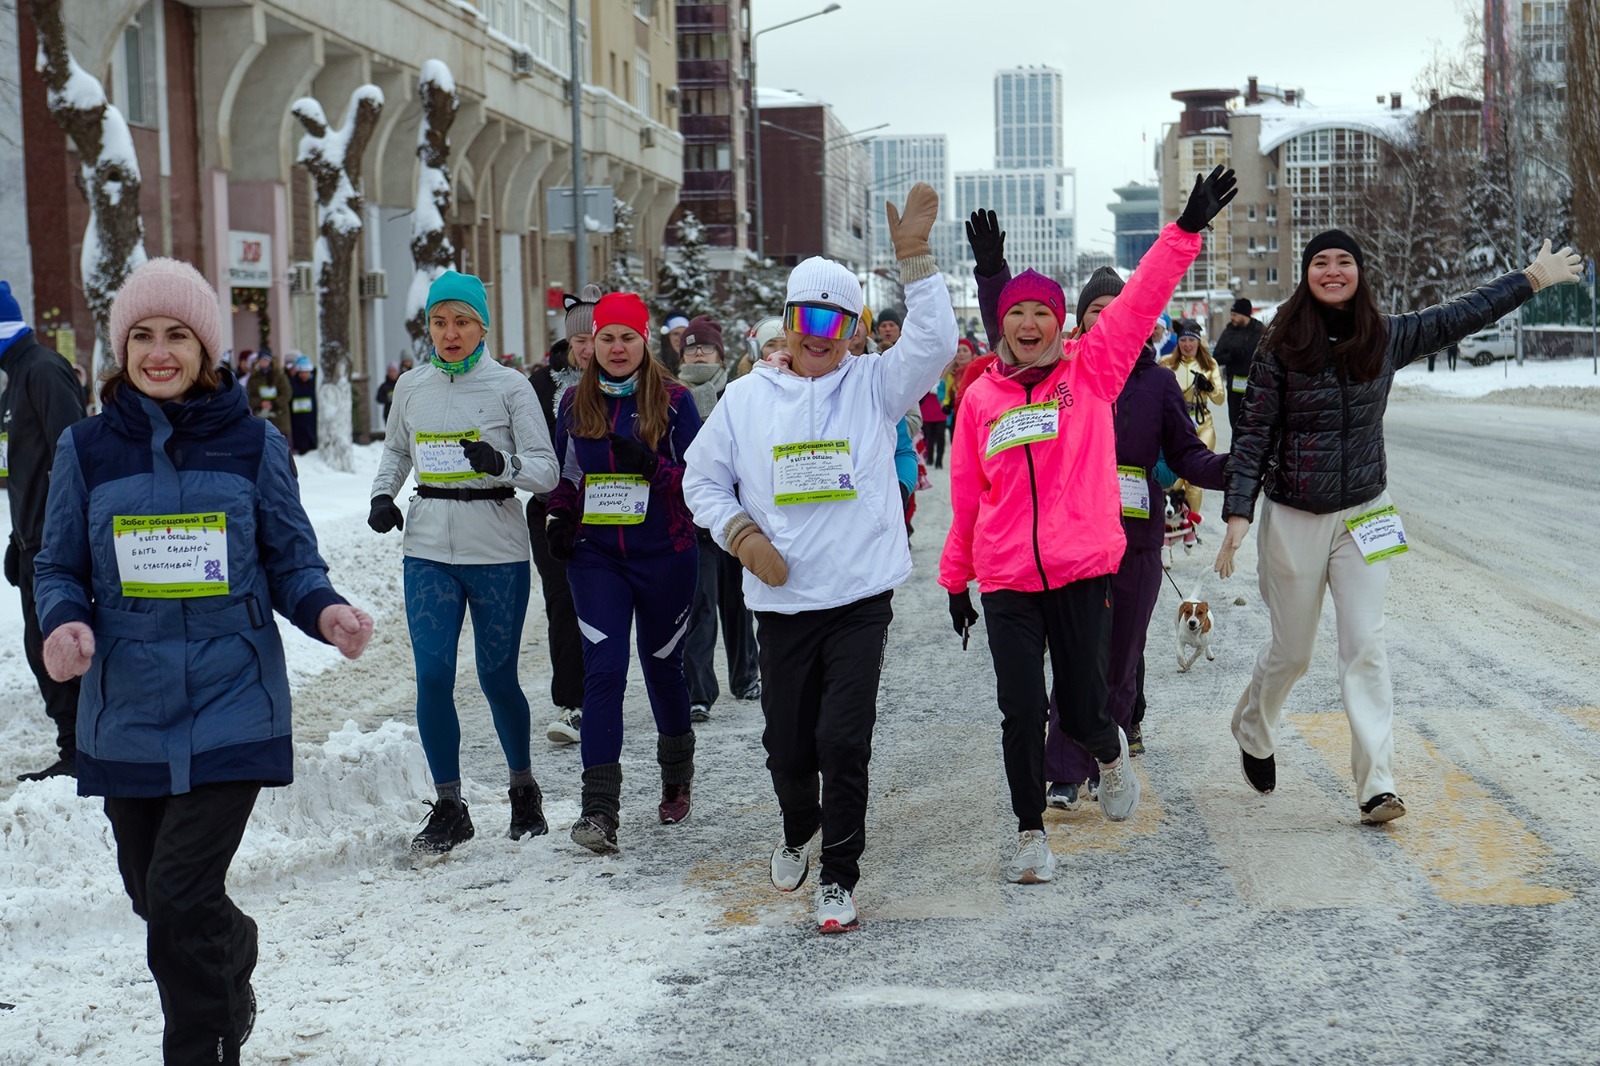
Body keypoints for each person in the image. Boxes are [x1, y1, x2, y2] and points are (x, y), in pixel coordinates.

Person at [32, 258, 373, 1064]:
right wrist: (64, 624)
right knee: (157, 897)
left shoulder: (255, 444)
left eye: (177, 335)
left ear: (206, 349)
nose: (158, 351)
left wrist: (325, 611)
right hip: (126, 710)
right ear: (121, 348)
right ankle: (236, 947)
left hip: (233, 699)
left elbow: (291, 560)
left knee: (180, 897)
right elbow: (57, 566)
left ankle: (200, 1046)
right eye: (142, 336)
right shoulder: (87, 447)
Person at [1214, 231, 1585, 824]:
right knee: (1293, 651)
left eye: (1344, 262)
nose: (1333, 271)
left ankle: (1377, 785)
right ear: (1305, 273)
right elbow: (1254, 432)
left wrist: (1530, 279)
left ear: (1360, 273)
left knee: (1365, 645)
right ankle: (1254, 727)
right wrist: (1238, 514)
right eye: (1320, 262)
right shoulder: (1278, 345)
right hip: (1294, 515)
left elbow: (1459, 315)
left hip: (1364, 511)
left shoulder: (1383, 335)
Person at [941, 166, 1235, 885]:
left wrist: (1186, 230)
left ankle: (1108, 752)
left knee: (1082, 704)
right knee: (1020, 710)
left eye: (1042, 313)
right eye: (1016, 314)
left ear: (1062, 324)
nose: (1030, 325)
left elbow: (1140, 304)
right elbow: (968, 497)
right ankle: (1028, 832)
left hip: (1081, 571)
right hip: (1009, 577)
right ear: (1002, 325)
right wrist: (957, 578)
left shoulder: (1091, 376)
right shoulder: (982, 399)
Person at [683, 183, 956, 933]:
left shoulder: (874, 385)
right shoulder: (747, 400)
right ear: (789, 323)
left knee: (844, 738)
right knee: (786, 747)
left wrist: (917, 264)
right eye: (808, 319)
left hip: (861, 595)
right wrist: (742, 536)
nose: (821, 335)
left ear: (855, 329)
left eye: (837, 322)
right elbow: (701, 480)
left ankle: (838, 874)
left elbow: (935, 347)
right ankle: (796, 822)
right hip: (782, 600)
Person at [368, 270, 560, 853]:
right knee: (432, 676)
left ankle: (523, 789)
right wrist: (382, 495)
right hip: (427, 546)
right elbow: (398, 449)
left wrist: (500, 462)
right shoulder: (412, 385)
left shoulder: (510, 387)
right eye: (439, 322)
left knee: (496, 677)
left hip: (496, 547)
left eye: (462, 322)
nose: (450, 333)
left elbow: (546, 470)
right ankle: (450, 805)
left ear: (482, 326)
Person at [544, 291, 703, 851]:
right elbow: (568, 477)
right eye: (605, 337)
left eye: (626, 337)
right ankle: (599, 811)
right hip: (599, 558)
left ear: (645, 341)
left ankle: (676, 774)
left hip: (666, 556)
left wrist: (654, 467)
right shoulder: (571, 404)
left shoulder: (677, 401)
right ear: (587, 345)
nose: (614, 347)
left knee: (662, 668)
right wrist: (559, 518)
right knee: (604, 670)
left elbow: (701, 481)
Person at [0, 280, 86, 780]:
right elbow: (24, 470)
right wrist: (18, 540)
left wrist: (60, 540)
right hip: (33, 544)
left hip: (56, 550)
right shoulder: (16, 382)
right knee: (43, 654)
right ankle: (75, 750)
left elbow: (72, 460)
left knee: (58, 652)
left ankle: (82, 755)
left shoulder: (44, 371)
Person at [676, 314, 761, 723]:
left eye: (705, 346)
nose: (697, 352)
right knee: (700, 602)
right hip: (693, 517)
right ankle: (698, 691)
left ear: (719, 352)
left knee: (740, 599)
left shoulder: (737, 392)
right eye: (691, 346)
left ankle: (746, 676)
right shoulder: (673, 396)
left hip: (738, 512)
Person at [528, 289, 598, 746]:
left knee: (605, 603)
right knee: (562, 602)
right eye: (581, 341)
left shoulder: (629, 376)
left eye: (596, 337)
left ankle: (604, 692)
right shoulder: (542, 383)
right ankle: (571, 703)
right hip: (551, 506)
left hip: (611, 506)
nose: (589, 348)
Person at [1159, 319, 1225, 526]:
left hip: (1202, 424)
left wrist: (1208, 387)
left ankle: (1191, 527)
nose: (1187, 345)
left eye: (1192, 340)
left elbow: (1220, 399)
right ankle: (1171, 526)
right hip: (1177, 424)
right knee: (1175, 479)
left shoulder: (1209, 364)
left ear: (1199, 342)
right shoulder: (1166, 363)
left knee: (1195, 479)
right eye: (1183, 340)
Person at [1212, 296, 1264, 428]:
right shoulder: (1228, 332)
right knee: (1236, 424)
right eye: (1231, 314)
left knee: (1255, 424)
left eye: (1235, 315)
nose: (1232, 317)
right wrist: (1231, 356)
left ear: (1244, 315)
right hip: (1235, 387)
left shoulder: (1259, 331)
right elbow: (1216, 358)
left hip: (1256, 386)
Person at [244, 350, 292, 441]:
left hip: (279, 418)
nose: (263, 363)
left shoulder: (280, 376)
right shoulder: (253, 378)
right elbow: (248, 396)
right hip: (260, 417)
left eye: (265, 360)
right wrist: (260, 403)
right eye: (261, 360)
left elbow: (287, 393)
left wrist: (274, 403)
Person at [288, 353, 317, 455]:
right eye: (301, 372)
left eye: (306, 372)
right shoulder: (292, 383)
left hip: (312, 417)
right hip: (297, 419)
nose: (303, 375)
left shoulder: (315, 383)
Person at [376, 361, 401, 427]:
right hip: (388, 414)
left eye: (394, 371)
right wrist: (387, 399)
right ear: (388, 372)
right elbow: (378, 398)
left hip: (400, 414)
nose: (392, 374)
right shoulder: (384, 386)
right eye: (391, 371)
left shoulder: (401, 385)